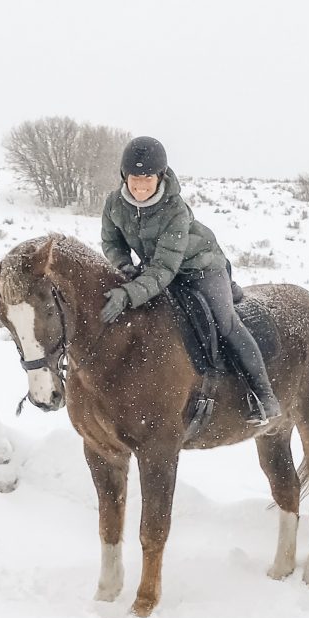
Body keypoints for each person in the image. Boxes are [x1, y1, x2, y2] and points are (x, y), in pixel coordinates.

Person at [99, 135, 282, 425]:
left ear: (160, 177)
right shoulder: (114, 204)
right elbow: (111, 241)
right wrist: (124, 266)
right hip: (158, 267)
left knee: (225, 323)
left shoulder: (174, 210)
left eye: (148, 178)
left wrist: (129, 292)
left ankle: (264, 395)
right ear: (124, 175)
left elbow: (164, 269)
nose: (141, 186)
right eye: (135, 178)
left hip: (201, 268)